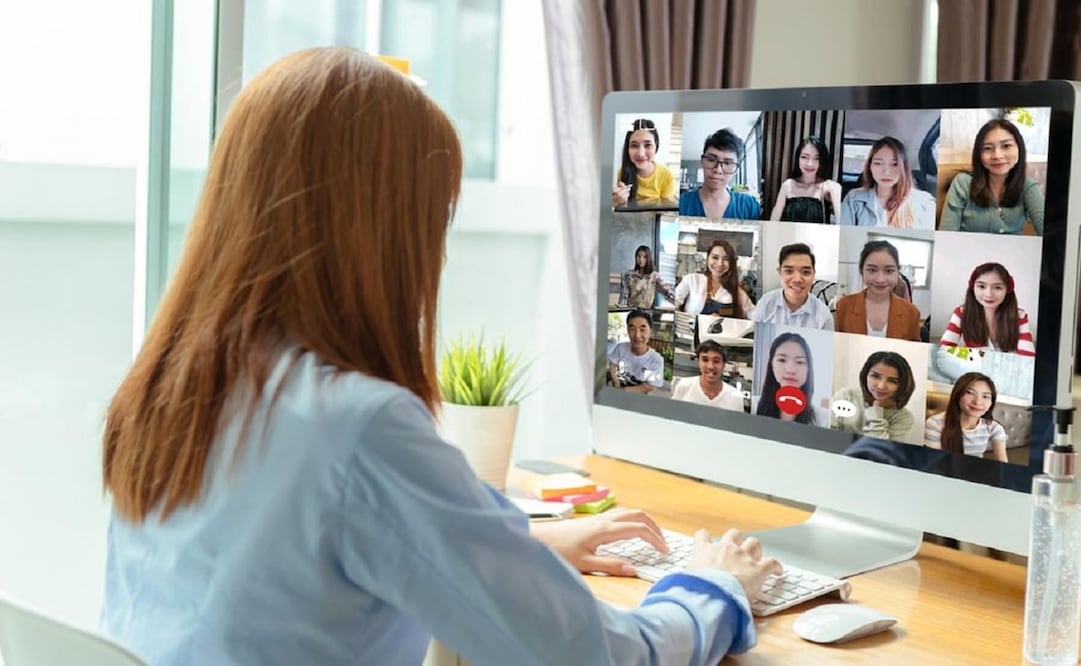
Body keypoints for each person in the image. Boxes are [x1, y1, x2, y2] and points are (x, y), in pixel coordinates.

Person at [99, 48, 781, 666]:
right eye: (434, 218)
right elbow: (595, 657)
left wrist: (521, 554)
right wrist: (713, 586)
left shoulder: (176, 386)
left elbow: (296, 554)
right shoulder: (358, 425)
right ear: (383, 234)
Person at [939, 118, 1045, 235]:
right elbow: (946, 235)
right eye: (987, 148)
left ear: (1019, 148)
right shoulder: (962, 183)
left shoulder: (1028, 187)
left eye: (1006, 146)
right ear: (979, 154)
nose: (997, 155)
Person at [939, 262, 1035, 356]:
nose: (989, 294)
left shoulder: (1019, 316)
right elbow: (944, 349)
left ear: (1007, 290)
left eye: (997, 287)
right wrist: (970, 356)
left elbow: (1028, 357)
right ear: (973, 288)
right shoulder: (961, 313)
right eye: (981, 286)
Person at [839, 136, 935, 229]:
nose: (886, 172)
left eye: (894, 164)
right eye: (878, 163)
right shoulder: (853, 200)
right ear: (870, 166)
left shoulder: (923, 204)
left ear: (903, 167)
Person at [834, 240, 922, 341]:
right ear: (861, 270)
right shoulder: (844, 305)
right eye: (872, 270)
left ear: (898, 271)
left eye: (889, 271)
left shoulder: (911, 312)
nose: (880, 279)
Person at [830, 351, 917, 443]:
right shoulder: (846, 395)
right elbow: (827, 433)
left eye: (892, 381)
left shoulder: (903, 417)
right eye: (875, 376)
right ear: (865, 375)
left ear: (903, 385)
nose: (881, 386)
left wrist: (876, 412)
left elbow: (880, 450)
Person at [924, 372, 1008, 462]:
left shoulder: (994, 428)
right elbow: (934, 465)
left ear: (991, 403)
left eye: (985, 396)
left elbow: (1002, 464)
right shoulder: (934, 424)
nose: (978, 402)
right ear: (958, 395)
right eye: (970, 392)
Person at [678, 128, 761, 219]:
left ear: (736, 168)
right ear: (702, 161)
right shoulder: (681, 204)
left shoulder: (749, 206)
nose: (718, 170)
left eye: (727, 163)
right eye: (711, 160)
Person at [753, 242, 834, 330]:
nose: (797, 279)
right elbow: (755, 340)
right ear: (779, 272)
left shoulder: (823, 315)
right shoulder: (766, 304)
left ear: (814, 274)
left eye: (806, 272)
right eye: (789, 271)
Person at [671, 239, 755, 318]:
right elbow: (672, 304)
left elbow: (752, 313)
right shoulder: (692, 280)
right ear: (708, 258)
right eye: (715, 257)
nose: (720, 264)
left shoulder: (737, 292)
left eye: (726, 259)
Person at [755, 332, 824, 425]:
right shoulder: (754, 406)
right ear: (772, 364)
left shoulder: (821, 418)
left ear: (809, 368)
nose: (790, 370)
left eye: (800, 362)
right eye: (782, 360)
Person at [769, 136, 842, 223]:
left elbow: (840, 224)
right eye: (804, 157)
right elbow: (773, 223)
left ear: (822, 161)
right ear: (798, 158)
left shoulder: (829, 187)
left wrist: (836, 192)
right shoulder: (787, 186)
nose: (809, 163)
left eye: (816, 158)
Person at [611, 118, 678, 207]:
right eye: (634, 145)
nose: (641, 154)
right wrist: (619, 202)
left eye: (647, 145)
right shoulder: (623, 172)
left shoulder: (666, 174)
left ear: (656, 147)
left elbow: (666, 210)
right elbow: (622, 210)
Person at [671, 340, 745, 411]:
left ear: (723, 365)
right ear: (698, 362)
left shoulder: (735, 397)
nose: (710, 366)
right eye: (705, 360)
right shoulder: (684, 386)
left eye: (716, 361)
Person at [607, 309, 666, 393]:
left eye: (642, 330)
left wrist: (623, 391)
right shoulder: (621, 348)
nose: (637, 335)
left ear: (650, 332)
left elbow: (648, 386)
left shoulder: (655, 360)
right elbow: (613, 364)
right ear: (627, 331)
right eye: (632, 329)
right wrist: (616, 383)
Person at [618, 244, 674, 309]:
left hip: (647, 312)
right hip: (631, 311)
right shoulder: (628, 275)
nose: (641, 260)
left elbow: (667, 291)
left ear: (648, 258)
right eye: (638, 256)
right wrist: (621, 310)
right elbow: (623, 297)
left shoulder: (654, 276)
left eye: (644, 257)